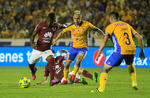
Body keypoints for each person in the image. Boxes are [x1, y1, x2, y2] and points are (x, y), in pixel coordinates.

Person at [96, 12, 145, 92]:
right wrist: (142, 51)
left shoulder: (110, 26)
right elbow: (139, 38)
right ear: (118, 18)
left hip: (120, 50)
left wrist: (99, 53)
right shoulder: (127, 25)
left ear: (111, 19)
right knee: (130, 64)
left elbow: (104, 41)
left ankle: (101, 89)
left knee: (104, 69)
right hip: (132, 49)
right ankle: (134, 82)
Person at [53, 10, 104, 84]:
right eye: (75, 18)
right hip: (73, 47)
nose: (76, 20)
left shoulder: (87, 24)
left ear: (81, 18)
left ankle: (74, 75)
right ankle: (65, 79)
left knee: (78, 59)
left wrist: (104, 35)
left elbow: (96, 29)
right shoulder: (71, 26)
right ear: (73, 19)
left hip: (83, 47)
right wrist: (55, 40)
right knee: (67, 64)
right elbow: (61, 32)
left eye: (78, 18)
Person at [28, 12, 65, 86]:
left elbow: (63, 26)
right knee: (30, 64)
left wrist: (70, 26)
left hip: (47, 49)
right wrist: (32, 43)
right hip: (38, 49)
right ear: (47, 19)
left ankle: (52, 80)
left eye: (53, 22)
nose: (51, 23)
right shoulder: (41, 25)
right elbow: (33, 35)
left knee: (52, 60)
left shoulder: (56, 25)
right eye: (50, 21)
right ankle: (33, 71)